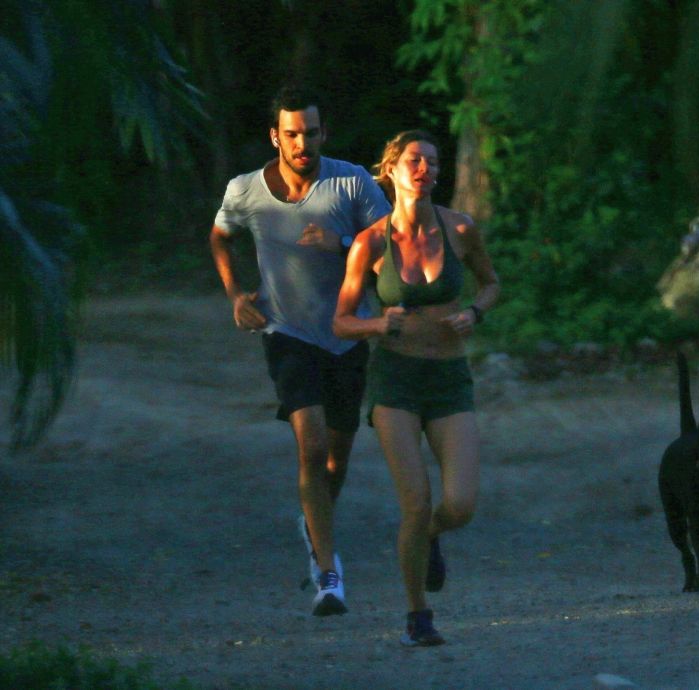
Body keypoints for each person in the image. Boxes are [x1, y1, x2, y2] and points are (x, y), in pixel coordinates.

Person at [209, 86, 391, 617]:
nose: (301, 142)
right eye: (291, 133)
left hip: (347, 332)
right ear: (275, 136)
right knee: (310, 448)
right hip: (286, 333)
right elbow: (220, 236)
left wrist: (340, 246)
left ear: (322, 134)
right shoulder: (246, 191)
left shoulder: (351, 182)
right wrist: (236, 294)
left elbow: (383, 251)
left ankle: (314, 523)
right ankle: (329, 575)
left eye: (310, 132)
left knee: (336, 460)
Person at [333, 130, 499, 646]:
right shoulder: (370, 242)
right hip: (395, 382)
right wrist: (377, 325)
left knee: (461, 505)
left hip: (449, 380)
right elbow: (341, 320)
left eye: (432, 161)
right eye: (414, 160)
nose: (425, 169)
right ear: (391, 170)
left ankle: (430, 538)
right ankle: (417, 615)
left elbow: (491, 283)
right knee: (415, 501)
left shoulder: (461, 229)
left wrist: (474, 311)